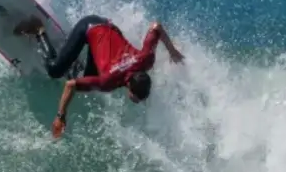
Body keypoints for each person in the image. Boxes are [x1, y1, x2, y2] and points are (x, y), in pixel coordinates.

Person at [13, 14, 184, 138]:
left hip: (107, 26)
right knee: (55, 71)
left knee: (86, 75)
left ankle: (71, 55)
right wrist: (60, 116)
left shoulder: (146, 59)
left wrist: (172, 51)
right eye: (136, 97)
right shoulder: (108, 81)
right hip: (89, 27)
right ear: (130, 87)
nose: (136, 100)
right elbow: (70, 85)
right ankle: (38, 29)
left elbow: (156, 26)